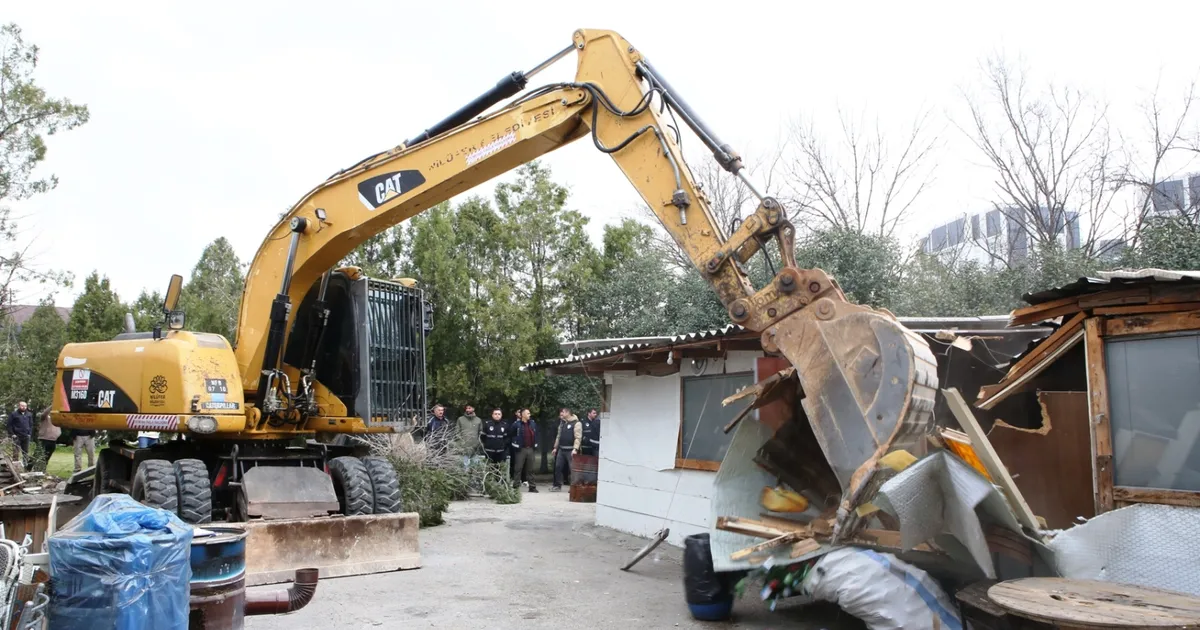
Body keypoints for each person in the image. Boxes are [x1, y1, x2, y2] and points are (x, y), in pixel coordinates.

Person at [551, 407, 582, 492]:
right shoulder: (562, 422)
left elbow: (578, 438)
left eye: (563, 412)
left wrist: (575, 449)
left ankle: (573, 487)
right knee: (558, 467)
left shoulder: (577, 423)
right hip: (561, 449)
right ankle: (557, 485)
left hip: (570, 450)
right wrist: (555, 447)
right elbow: (558, 436)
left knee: (572, 469)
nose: (561, 414)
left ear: (568, 413)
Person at [510, 408, 538, 492]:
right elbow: (511, 434)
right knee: (518, 468)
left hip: (530, 448)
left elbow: (536, 433)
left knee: (531, 469)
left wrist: (535, 444)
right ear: (523, 415)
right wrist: (516, 444)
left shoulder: (532, 423)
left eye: (529, 413)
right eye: (528, 413)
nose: (529, 415)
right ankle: (516, 487)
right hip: (521, 449)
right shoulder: (516, 424)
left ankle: (532, 487)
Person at [480, 408, 510, 472]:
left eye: (499, 414)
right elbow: (483, 437)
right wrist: (487, 445)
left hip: (501, 453)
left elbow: (507, 438)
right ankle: (489, 481)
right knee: (489, 470)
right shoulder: (487, 424)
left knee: (499, 471)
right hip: (489, 452)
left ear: (501, 415)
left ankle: (498, 482)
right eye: (495, 414)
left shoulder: (505, 425)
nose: (497, 415)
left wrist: (503, 446)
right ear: (492, 415)